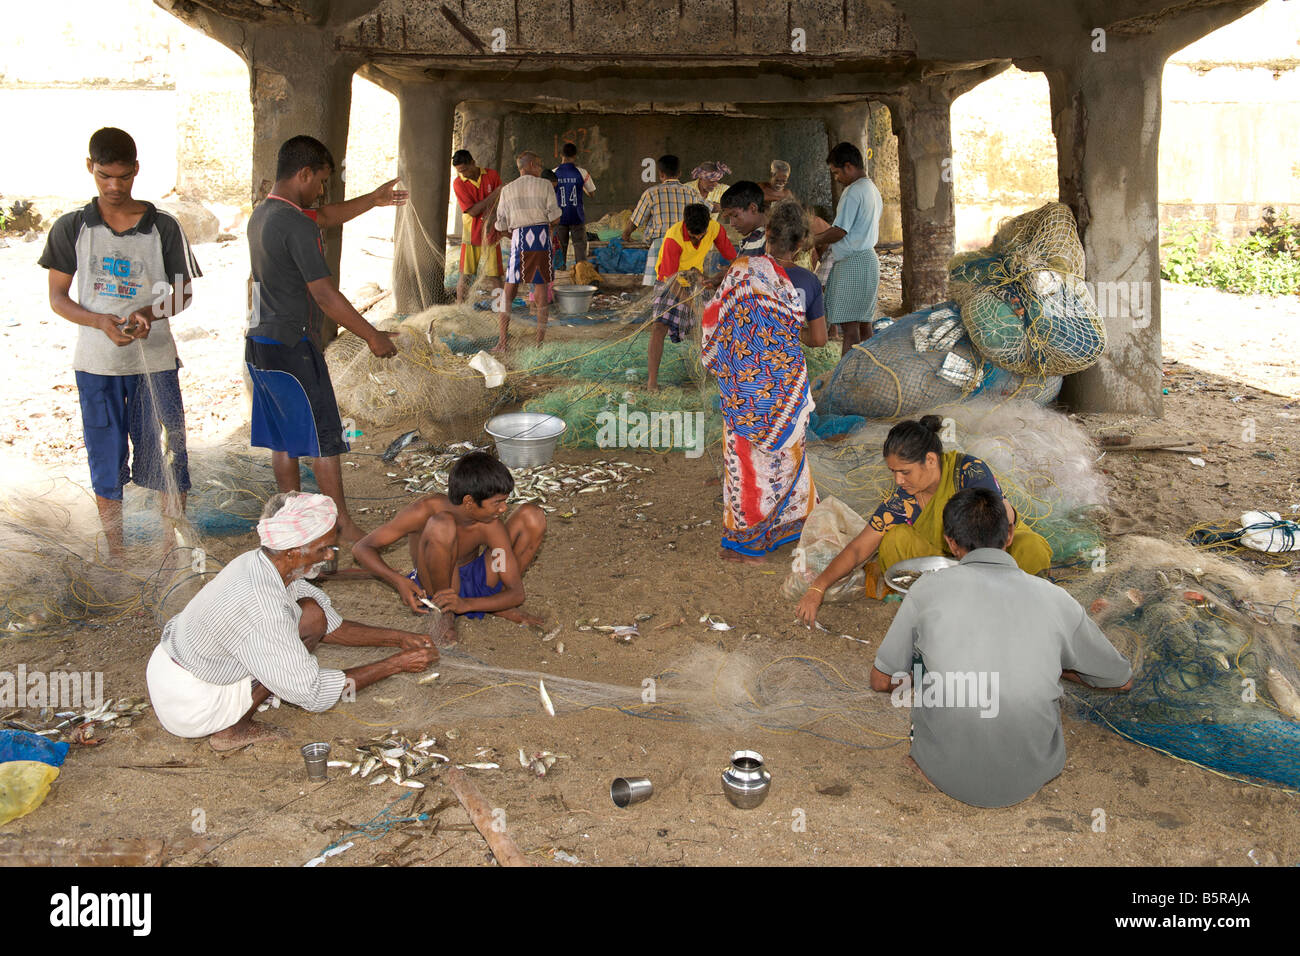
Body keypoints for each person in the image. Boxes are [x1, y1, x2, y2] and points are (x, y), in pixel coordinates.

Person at [868, 487, 1133, 807]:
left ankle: (929, 752)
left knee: (923, 657)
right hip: (1032, 772)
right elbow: (1121, 679)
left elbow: (881, 681)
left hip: (945, 772)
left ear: (950, 542)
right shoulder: (1056, 599)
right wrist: (1056, 667)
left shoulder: (927, 589)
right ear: (1009, 536)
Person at [145, 492, 437, 751]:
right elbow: (312, 692)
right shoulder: (262, 607)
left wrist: (399, 639)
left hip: (174, 666)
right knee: (288, 668)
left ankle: (257, 694)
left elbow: (328, 625)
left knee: (312, 614)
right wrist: (396, 664)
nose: (329, 557)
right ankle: (234, 729)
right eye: (323, 549)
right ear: (293, 551)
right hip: (190, 700)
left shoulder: (263, 564)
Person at [39, 127, 201, 560]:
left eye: (124, 177)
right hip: (97, 365)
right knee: (105, 460)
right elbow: (57, 298)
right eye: (104, 176)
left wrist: (149, 313)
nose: (114, 187)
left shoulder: (163, 226)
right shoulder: (72, 227)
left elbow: (184, 292)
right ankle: (119, 554)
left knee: (168, 455)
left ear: (136, 171)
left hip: (156, 362)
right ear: (90, 168)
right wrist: (97, 320)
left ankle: (172, 550)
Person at [245, 135, 401, 548]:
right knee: (324, 436)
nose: (320, 192)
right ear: (304, 174)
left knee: (283, 438)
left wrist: (374, 199)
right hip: (292, 346)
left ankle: (293, 518)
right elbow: (324, 294)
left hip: (259, 343)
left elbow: (326, 216)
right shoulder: (295, 224)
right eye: (319, 182)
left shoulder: (264, 213)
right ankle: (342, 526)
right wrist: (373, 336)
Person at [796, 415, 1053, 623]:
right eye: (893, 472)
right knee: (895, 540)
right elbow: (858, 548)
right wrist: (817, 588)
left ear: (930, 460)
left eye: (905, 472)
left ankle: (1001, 603)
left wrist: (974, 582)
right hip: (951, 560)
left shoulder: (969, 473)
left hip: (993, 551)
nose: (898, 481)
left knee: (1031, 549)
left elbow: (999, 522)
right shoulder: (902, 502)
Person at [701, 201, 827, 563]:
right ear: (802, 243)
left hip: (745, 383)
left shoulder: (742, 271)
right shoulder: (808, 281)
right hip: (787, 386)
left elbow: (716, 320)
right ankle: (791, 523)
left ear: (767, 235)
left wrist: (758, 334)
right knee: (789, 456)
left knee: (746, 460)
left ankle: (746, 537)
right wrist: (782, 333)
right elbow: (818, 339)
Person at [351, 452, 547, 647]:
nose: (504, 509)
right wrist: (398, 580)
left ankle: (494, 604)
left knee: (532, 515)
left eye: (505, 501)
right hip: (436, 583)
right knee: (441, 525)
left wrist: (467, 605)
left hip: (477, 580)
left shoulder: (490, 525)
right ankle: (444, 612)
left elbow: (516, 593)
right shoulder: (425, 510)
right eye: (497, 502)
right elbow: (362, 548)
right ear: (469, 501)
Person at [646, 203, 737, 391]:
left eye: (701, 235)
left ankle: (708, 375)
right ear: (685, 224)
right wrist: (693, 305)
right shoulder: (674, 237)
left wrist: (730, 275)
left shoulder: (715, 228)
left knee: (707, 328)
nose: (697, 239)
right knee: (659, 327)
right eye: (693, 235)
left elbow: (732, 257)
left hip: (695, 279)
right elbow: (670, 280)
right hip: (670, 282)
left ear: (707, 225)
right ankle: (652, 383)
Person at [814, 142, 882, 356]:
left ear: (848, 167)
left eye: (836, 173)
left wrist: (813, 239)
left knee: (850, 331)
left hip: (853, 263)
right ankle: (869, 373)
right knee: (865, 326)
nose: (837, 179)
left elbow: (839, 231)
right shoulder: (872, 189)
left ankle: (846, 379)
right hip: (868, 260)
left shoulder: (853, 191)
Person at [493, 150, 561, 351]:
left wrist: (514, 233)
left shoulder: (507, 189)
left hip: (518, 240)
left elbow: (500, 224)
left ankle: (502, 342)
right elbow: (555, 217)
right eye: (539, 165)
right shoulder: (545, 185)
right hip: (540, 238)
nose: (540, 169)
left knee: (508, 291)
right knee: (541, 293)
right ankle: (539, 344)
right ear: (530, 165)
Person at [622, 155, 700, 287]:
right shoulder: (692, 193)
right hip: (685, 245)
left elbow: (636, 220)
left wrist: (626, 235)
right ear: (679, 173)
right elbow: (705, 212)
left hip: (660, 246)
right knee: (683, 287)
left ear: (661, 174)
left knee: (657, 287)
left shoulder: (651, 193)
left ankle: (659, 307)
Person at [451, 149, 503, 303]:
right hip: (471, 233)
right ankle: (461, 308)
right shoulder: (459, 183)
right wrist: (495, 194)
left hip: (492, 231)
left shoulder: (491, 175)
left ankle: (499, 307)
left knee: (495, 274)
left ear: (473, 163)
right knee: (466, 274)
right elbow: (473, 211)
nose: (463, 174)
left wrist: (492, 215)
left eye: (465, 169)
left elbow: (502, 200)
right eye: (460, 171)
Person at [553, 141, 596, 269]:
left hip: (559, 217)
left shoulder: (553, 173)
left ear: (561, 155)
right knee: (579, 248)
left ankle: (559, 277)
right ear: (575, 156)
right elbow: (592, 194)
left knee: (560, 249)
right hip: (577, 216)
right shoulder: (582, 173)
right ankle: (581, 278)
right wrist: (581, 187)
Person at [718, 180, 767, 257]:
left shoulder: (768, 241)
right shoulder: (753, 240)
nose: (732, 224)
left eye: (735, 215)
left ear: (753, 208)